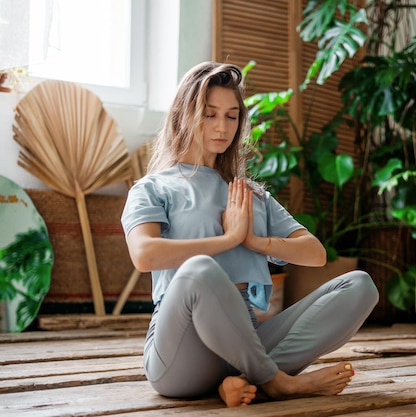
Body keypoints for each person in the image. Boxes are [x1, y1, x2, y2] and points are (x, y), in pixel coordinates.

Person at [121, 61, 379, 407]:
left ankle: (242, 382)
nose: (222, 126)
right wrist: (227, 240)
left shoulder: (250, 194)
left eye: (231, 116)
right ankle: (277, 382)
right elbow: (144, 254)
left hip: (246, 340)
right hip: (182, 353)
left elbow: (315, 254)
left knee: (360, 285)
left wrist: (253, 240)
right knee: (200, 270)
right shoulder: (153, 187)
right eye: (210, 114)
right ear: (184, 115)